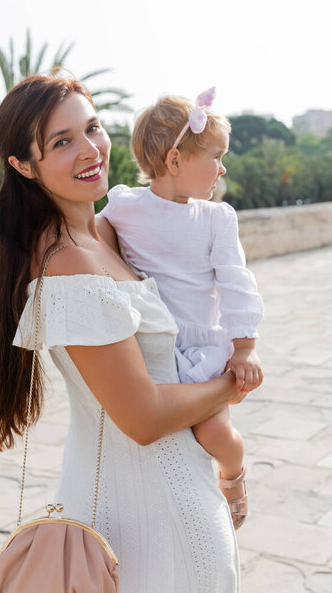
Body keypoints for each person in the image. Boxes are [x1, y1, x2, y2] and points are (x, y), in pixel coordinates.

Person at [0, 75, 255, 593]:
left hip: (161, 504)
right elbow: (144, 417)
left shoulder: (106, 231)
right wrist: (232, 385)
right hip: (146, 528)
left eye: (93, 128)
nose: (90, 150)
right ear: (22, 165)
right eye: (62, 142)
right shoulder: (69, 264)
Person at [100, 87, 264, 530]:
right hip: (154, 350)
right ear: (175, 162)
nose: (223, 167)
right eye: (215, 156)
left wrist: (244, 347)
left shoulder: (215, 219)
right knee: (156, 438)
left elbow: (235, 282)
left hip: (201, 348)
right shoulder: (124, 207)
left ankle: (233, 471)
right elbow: (89, 234)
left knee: (213, 435)